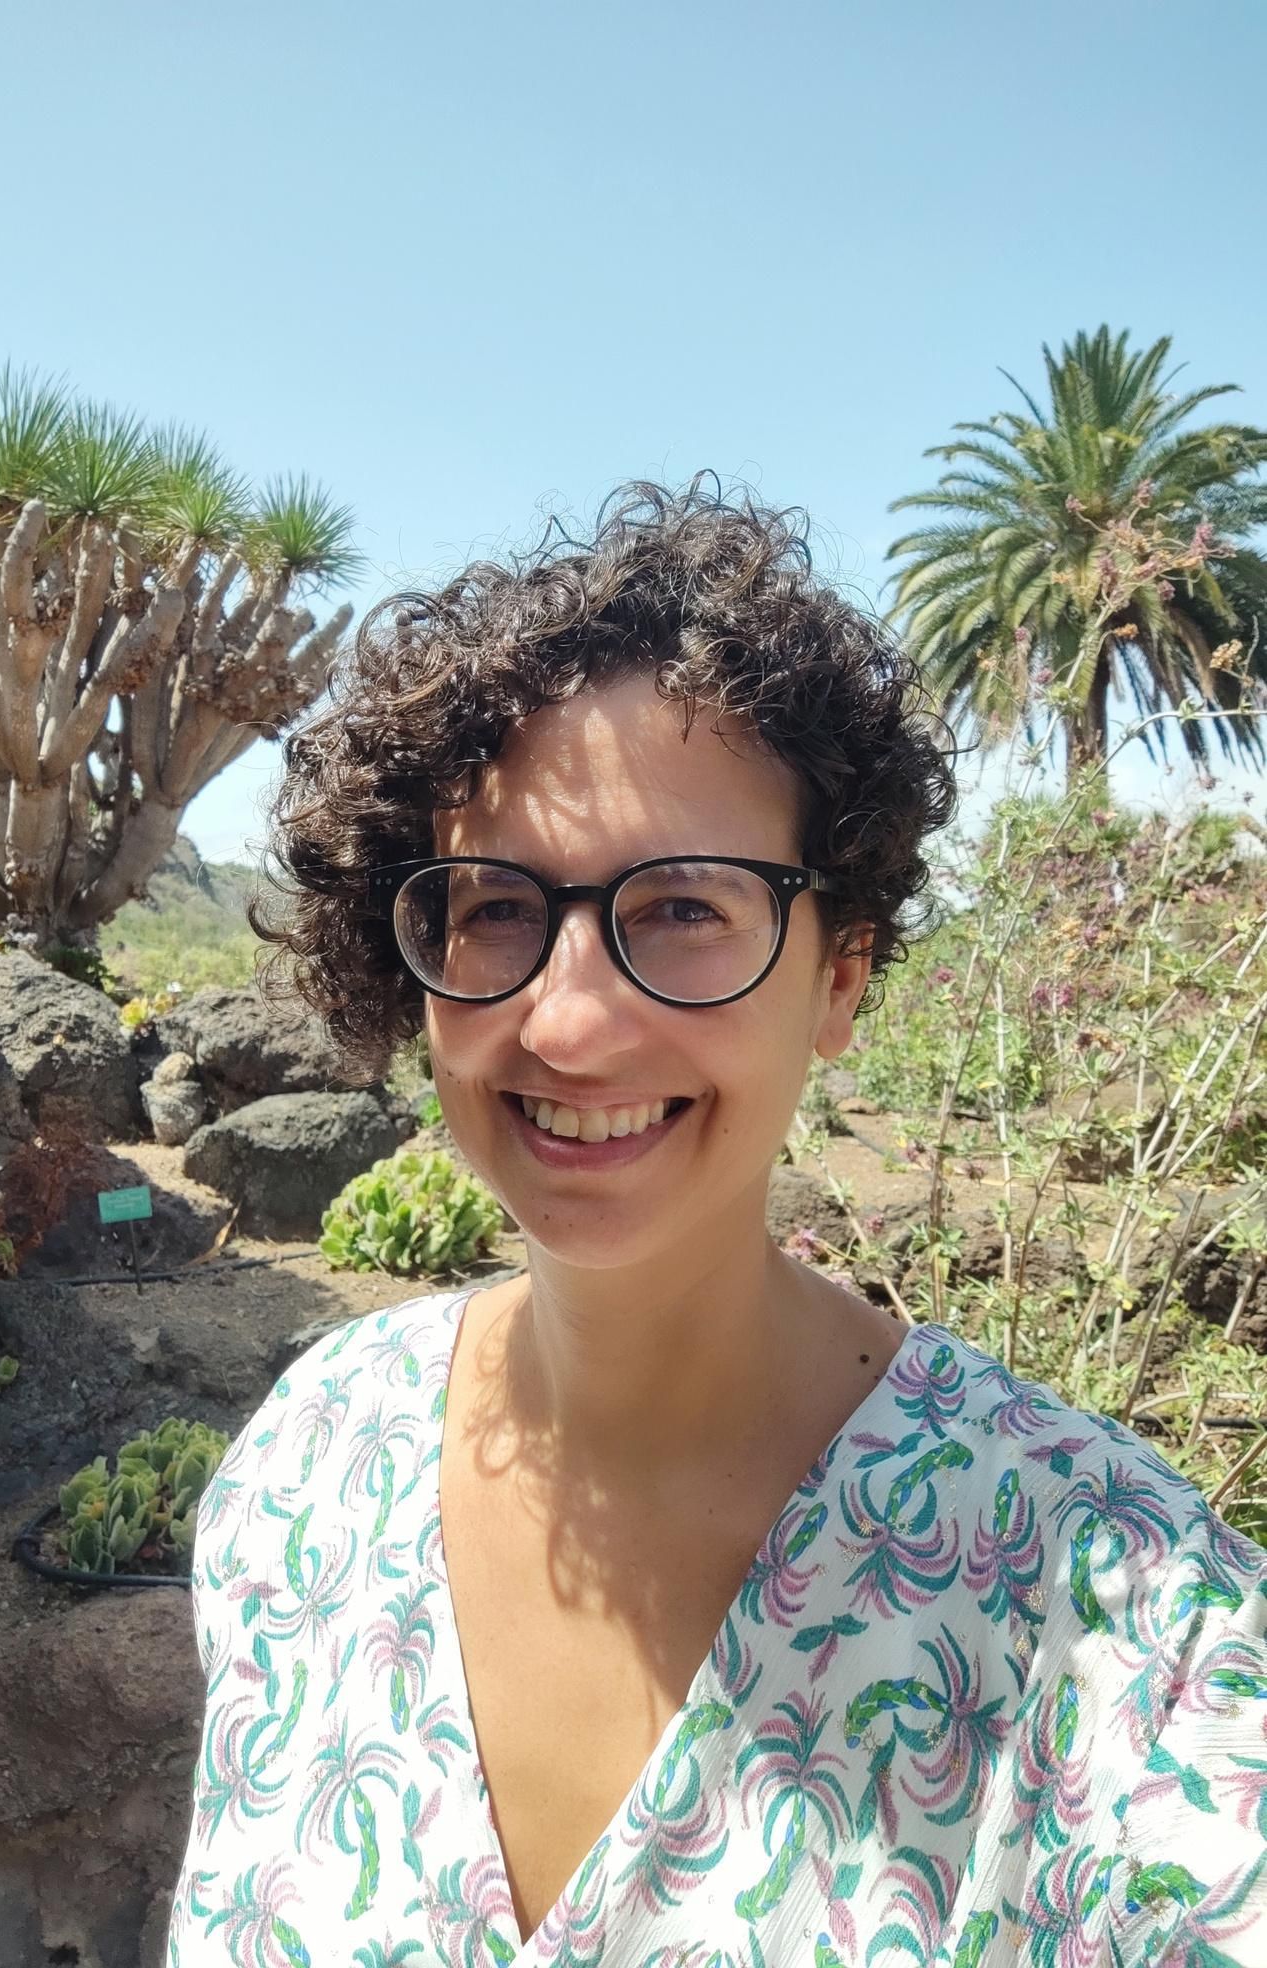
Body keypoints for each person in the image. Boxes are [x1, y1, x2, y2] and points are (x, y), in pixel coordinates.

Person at [167, 480, 1267, 1967]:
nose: (566, 1017)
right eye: (491, 906)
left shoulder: (1120, 1608)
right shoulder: (305, 1472)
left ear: (842, 975)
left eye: (685, 908)